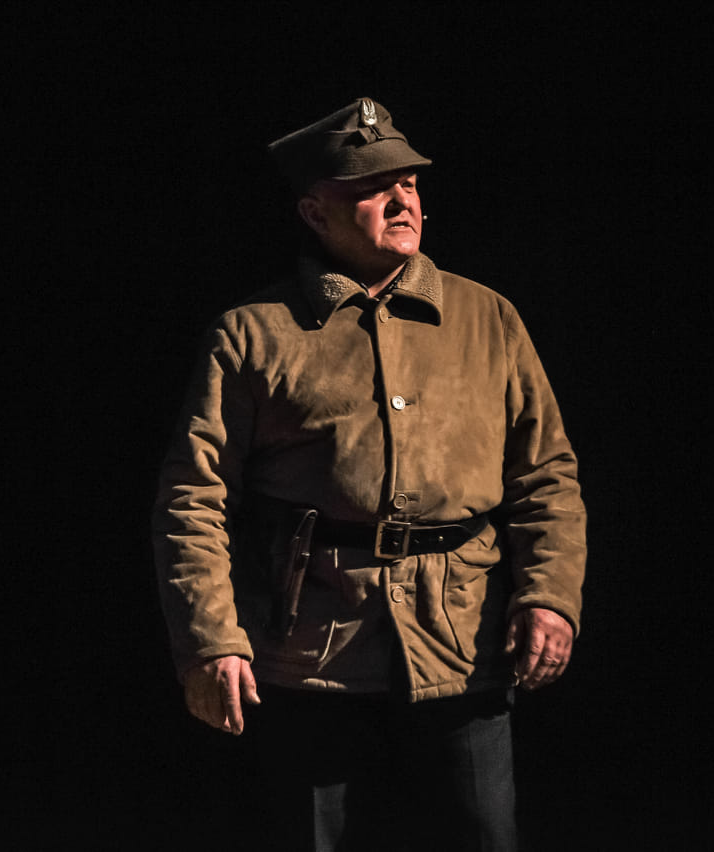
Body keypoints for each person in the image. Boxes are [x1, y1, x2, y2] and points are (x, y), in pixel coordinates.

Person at [153, 97, 586, 851]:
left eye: (409, 183)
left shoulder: (488, 319)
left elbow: (546, 476)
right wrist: (211, 639)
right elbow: (195, 497)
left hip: (463, 642)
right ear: (314, 212)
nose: (401, 200)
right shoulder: (255, 333)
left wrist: (550, 596)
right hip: (311, 647)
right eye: (371, 187)